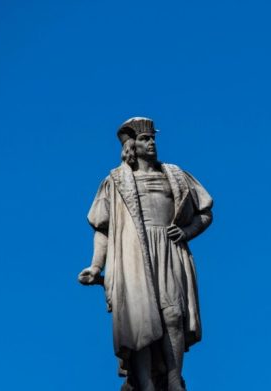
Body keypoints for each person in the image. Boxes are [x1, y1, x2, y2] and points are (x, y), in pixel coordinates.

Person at [78, 117, 213, 391]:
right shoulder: (115, 181)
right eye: (145, 139)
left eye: (153, 138)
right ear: (132, 144)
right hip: (132, 255)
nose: (151, 143)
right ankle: (145, 383)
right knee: (139, 320)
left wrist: (187, 232)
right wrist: (95, 266)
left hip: (169, 249)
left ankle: (174, 380)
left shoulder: (175, 174)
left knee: (173, 316)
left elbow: (205, 212)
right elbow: (102, 229)